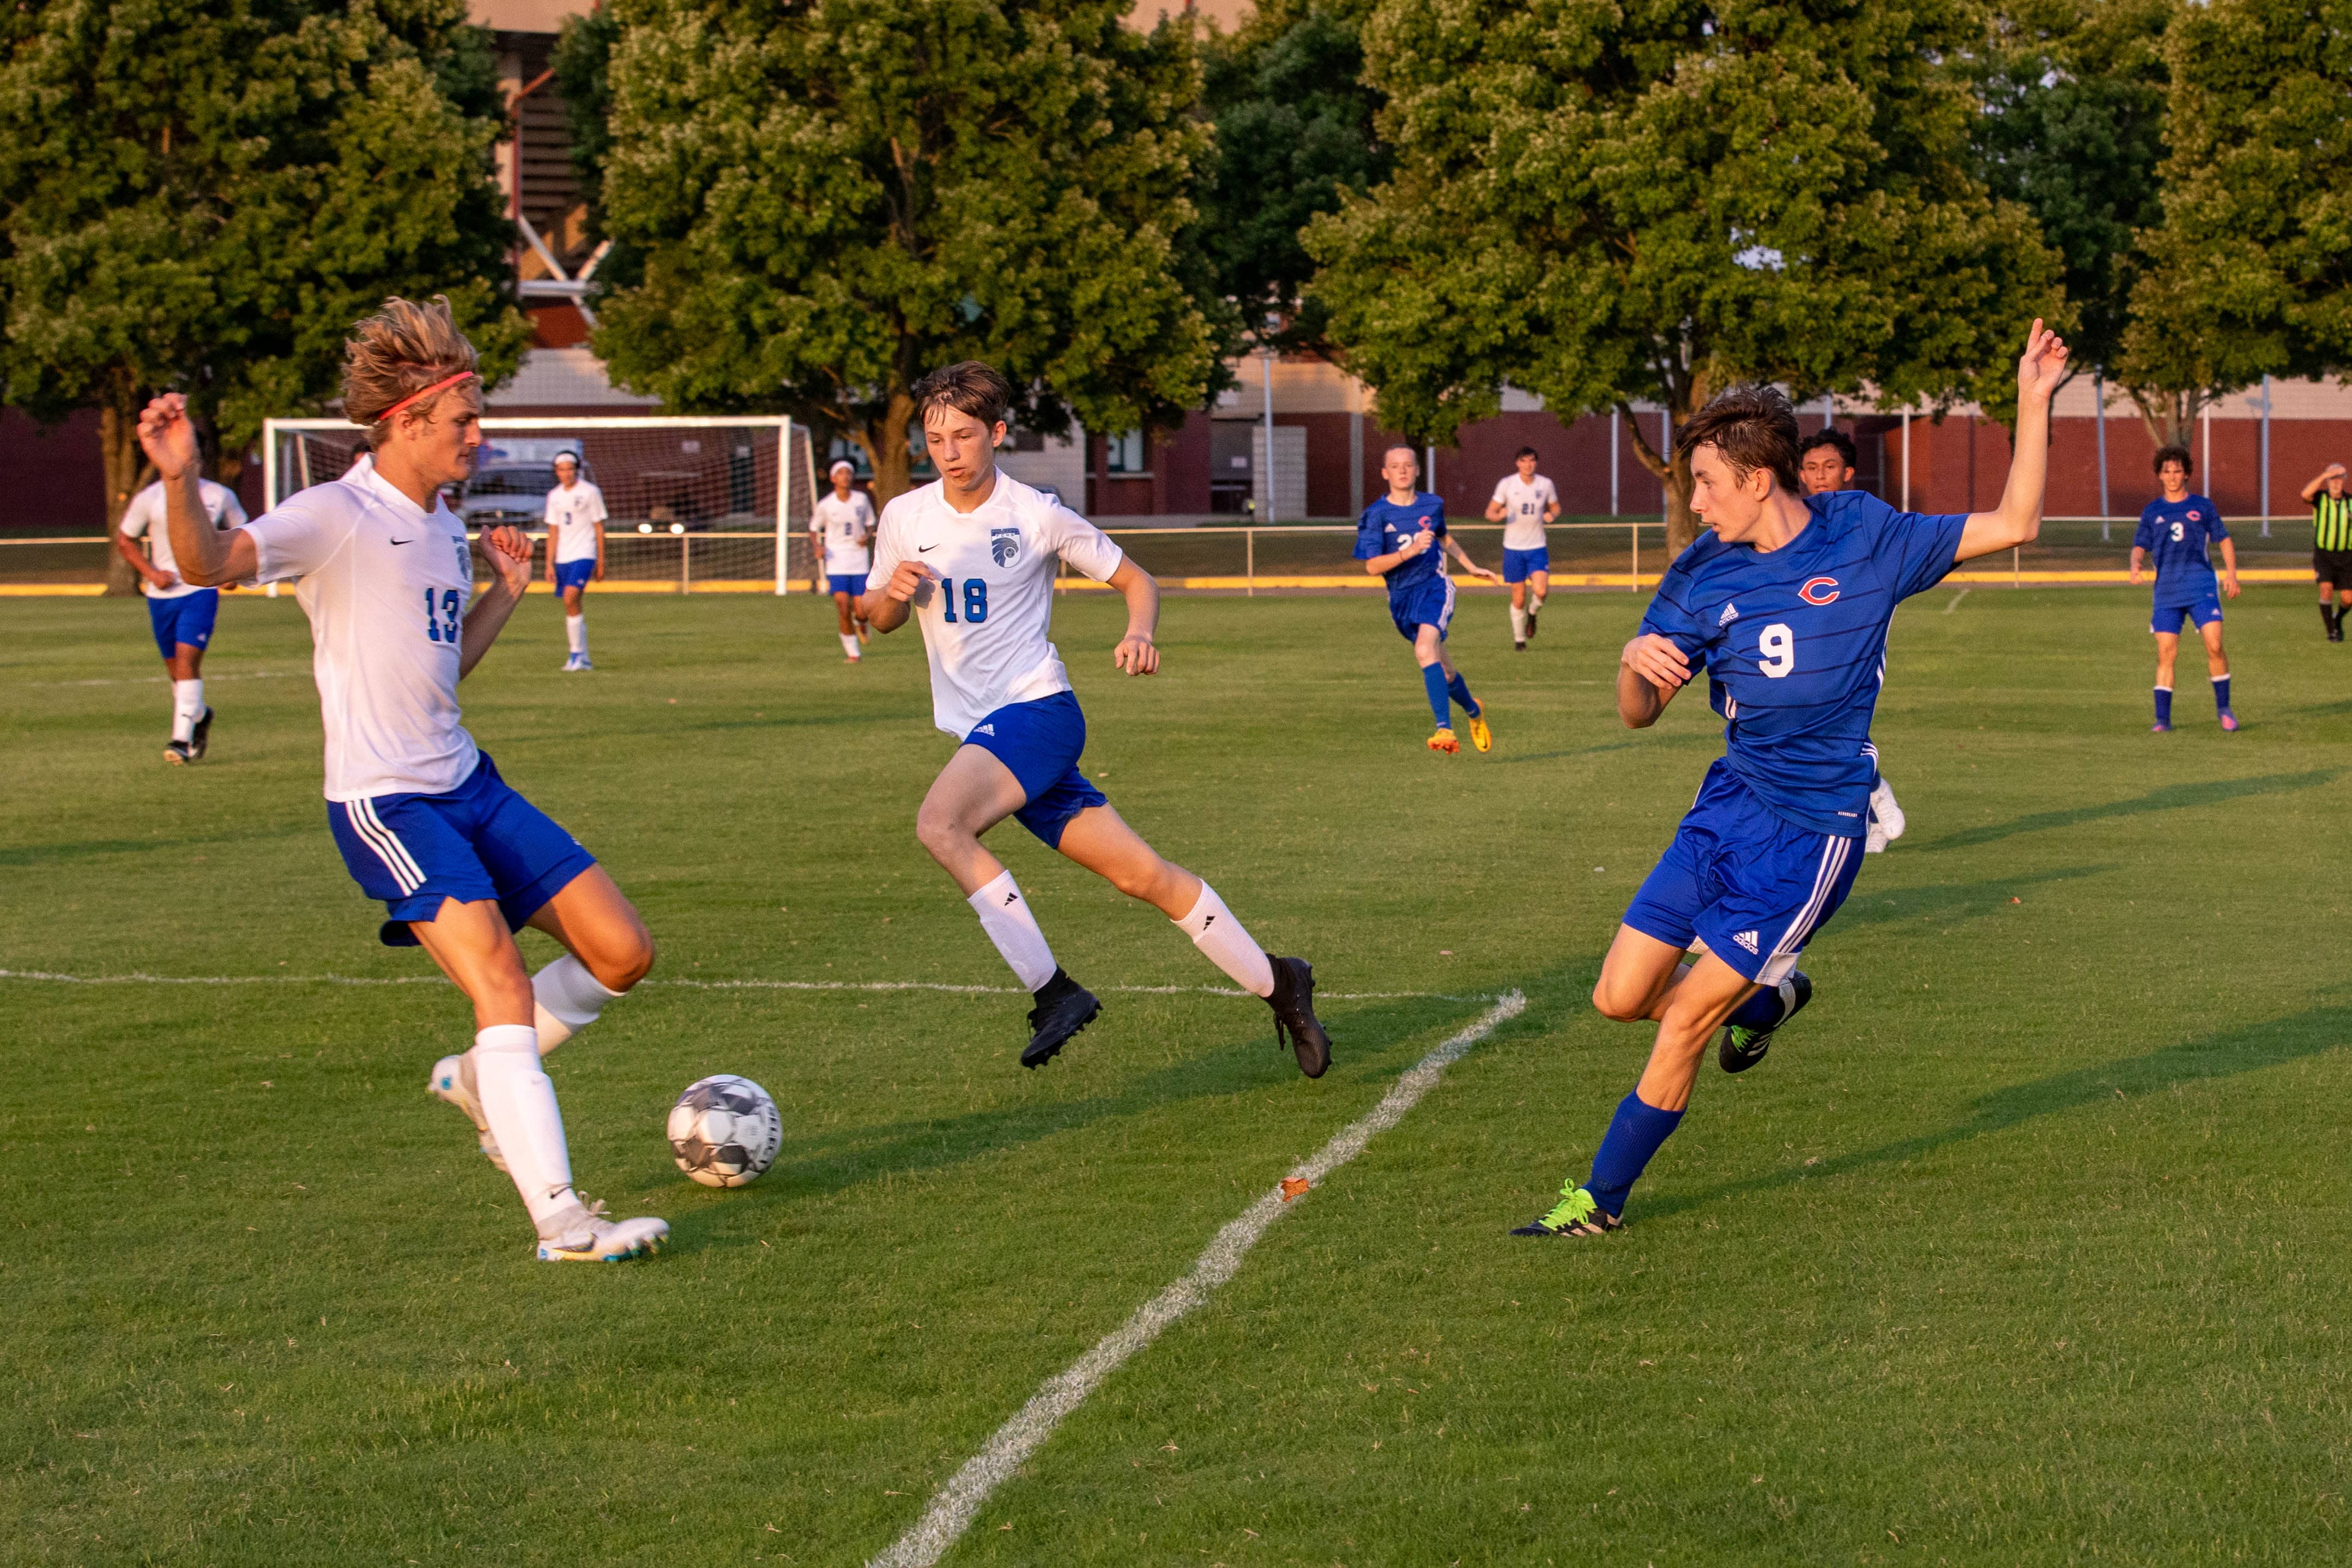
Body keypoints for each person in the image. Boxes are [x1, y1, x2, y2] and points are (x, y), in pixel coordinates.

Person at [135, 296, 667, 1264]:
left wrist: (504, 597)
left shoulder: (438, 526)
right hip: (387, 803)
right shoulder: (331, 514)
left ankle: (477, 1078)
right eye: (465, 419)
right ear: (408, 422)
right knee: (500, 982)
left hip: (470, 782)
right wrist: (182, 478)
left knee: (624, 951)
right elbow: (210, 561)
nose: (480, 433)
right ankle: (563, 1221)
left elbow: (439, 666)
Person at [1511, 321, 2069, 1240]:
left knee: (1686, 1018)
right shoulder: (1700, 570)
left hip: (1812, 834)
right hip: (1726, 808)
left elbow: (2016, 523)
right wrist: (1629, 660)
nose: (1693, 501)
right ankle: (1769, 996)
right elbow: (1637, 713)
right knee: (1618, 996)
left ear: (1758, 479)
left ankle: (1599, 1202)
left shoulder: (1866, 537)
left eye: (1704, 483)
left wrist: (2033, 402)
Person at [860, 361, 1333, 1076]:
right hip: (990, 738)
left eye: (961, 435)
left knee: (939, 824)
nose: (947, 450)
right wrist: (891, 595)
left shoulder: (1034, 513)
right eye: (934, 438)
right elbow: (877, 619)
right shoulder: (904, 517)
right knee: (1142, 876)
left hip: (1036, 712)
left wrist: (1138, 631)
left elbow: (1134, 579)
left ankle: (1054, 993)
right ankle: (1280, 983)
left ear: (996, 433)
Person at [1796, 428, 1906, 853]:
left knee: (1833, 723)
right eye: (1810, 468)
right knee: (1803, 733)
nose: (1819, 476)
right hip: (1801, 631)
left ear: (1848, 473)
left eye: (1828, 467)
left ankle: (1872, 793)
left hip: (1852, 632)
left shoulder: (1867, 520)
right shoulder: (1793, 520)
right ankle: (1871, 803)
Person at [1357, 445, 1500, 752]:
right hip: (1401, 600)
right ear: (1385, 473)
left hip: (1434, 589)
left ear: (1418, 470)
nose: (1403, 470)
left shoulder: (1433, 504)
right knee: (1445, 672)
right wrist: (1408, 552)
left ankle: (1444, 730)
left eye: (1408, 465)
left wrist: (1471, 567)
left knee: (1424, 650)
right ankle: (1474, 711)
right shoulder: (1376, 515)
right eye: (1395, 466)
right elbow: (1372, 566)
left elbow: (1443, 537)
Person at [114, 473, 247, 764]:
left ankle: (180, 741)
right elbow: (125, 540)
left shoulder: (219, 495)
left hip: (201, 590)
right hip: (162, 597)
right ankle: (200, 715)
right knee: (176, 672)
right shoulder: (150, 497)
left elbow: (245, 534)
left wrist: (231, 571)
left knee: (187, 661)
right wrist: (152, 574)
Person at [2131, 446, 2239, 732]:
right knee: (2167, 652)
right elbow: (2140, 545)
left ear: (2187, 473)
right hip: (2167, 591)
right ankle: (2162, 721)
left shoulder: (2203, 507)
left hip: (2201, 585)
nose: (2173, 476)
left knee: (2214, 645)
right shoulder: (2153, 511)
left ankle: (2224, 709)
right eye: (2167, 471)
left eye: (2178, 471)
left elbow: (2224, 540)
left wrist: (2232, 575)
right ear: (2159, 475)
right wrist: (2135, 565)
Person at [1485, 446, 1559, 650]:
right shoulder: (1507, 484)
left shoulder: (1545, 484)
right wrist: (1497, 515)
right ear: (1517, 463)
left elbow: (1555, 506)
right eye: (1524, 461)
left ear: (1536, 462)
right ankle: (1520, 641)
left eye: (1532, 461)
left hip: (1537, 546)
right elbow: (1490, 511)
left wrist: (1552, 515)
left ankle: (1533, 613)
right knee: (1518, 599)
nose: (1529, 465)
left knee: (1541, 591)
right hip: (1513, 549)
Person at [543, 451, 606, 671]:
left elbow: (599, 527)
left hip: (585, 553)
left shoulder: (590, 492)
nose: (566, 473)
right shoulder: (554, 496)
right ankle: (584, 658)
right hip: (563, 556)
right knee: (572, 605)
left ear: (577, 470)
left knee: (571, 598)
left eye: (570, 468)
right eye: (562, 469)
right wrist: (549, 563)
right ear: (557, 472)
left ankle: (576, 655)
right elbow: (553, 531)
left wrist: (601, 560)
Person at [812, 459, 878, 662]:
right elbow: (814, 529)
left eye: (849, 473)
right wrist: (818, 547)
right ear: (833, 478)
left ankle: (861, 622)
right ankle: (853, 653)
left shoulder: (861, 500)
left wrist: (867, 536)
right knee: (842, 606)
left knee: (861, 609)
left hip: (858, 559)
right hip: (836, 559)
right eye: (841, 473)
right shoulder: (826, 505)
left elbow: (870, 524)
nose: (846, 476)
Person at [2301, 462, 2351, 641]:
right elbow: (2305, 494)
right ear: (2328, 481)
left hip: (2347, 556)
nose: (2336, 482)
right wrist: (2324, 475)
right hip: (2325, 555)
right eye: (2332, 479)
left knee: (2348, 598)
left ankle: (2337, 620)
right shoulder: (2320, 499)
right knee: (2326, 590)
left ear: (2344, 481)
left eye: (2339, 478)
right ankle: (2331, 631)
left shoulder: (2350, 502)